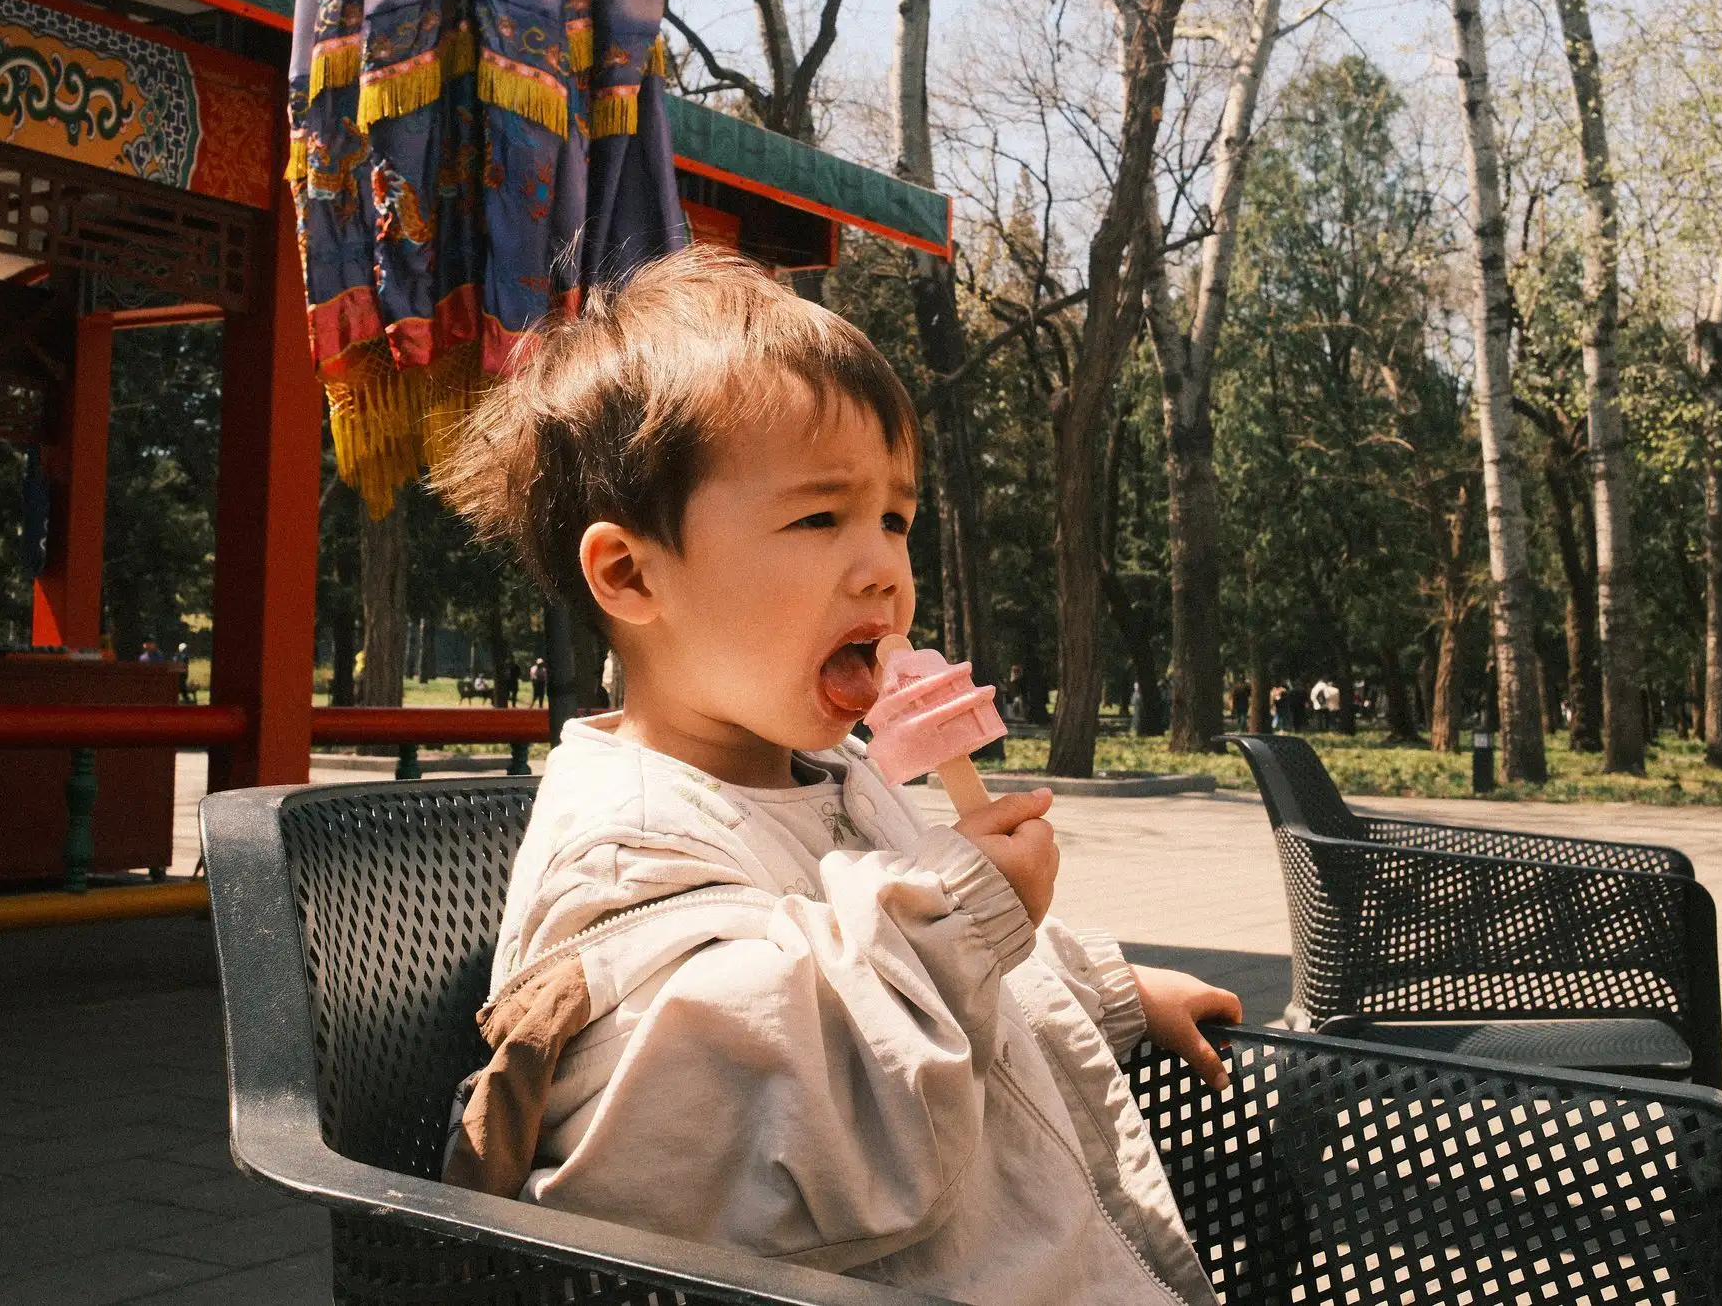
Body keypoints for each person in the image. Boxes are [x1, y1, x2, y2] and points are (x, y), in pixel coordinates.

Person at [435, 250, 1236, 1305]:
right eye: (820, 518)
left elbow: (920, 976)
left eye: (893, 518)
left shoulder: (832, 773)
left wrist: (1097, 986)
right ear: (630, 574)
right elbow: (754, 1127)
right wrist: (955, 913)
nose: (883, 569)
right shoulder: (626, 849)